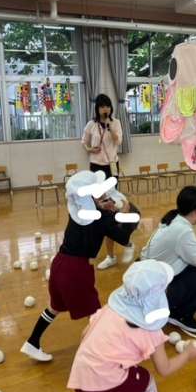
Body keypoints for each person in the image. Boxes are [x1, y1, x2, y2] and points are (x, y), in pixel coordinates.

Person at [67, 259, 196, 392]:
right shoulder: (151, 329)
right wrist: (187, 354)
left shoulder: (108, 309)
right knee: (147, 383)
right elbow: (164, 369)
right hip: (106, 383)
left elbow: (84, 335)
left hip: (81, 379)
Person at [20, 170, 140, 362]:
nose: (104, 194)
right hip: (76, 271)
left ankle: (32, 343)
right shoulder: (101, 218)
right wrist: (123, 213)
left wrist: (104, 208)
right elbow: (123, 238)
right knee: (95, 316)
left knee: (54, 307)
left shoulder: (77, 212)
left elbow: (94, 218)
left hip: (60, 264)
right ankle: (99, 354)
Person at [140, 186, 196, 334]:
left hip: (150, 277)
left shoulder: (176, 219)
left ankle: (173, 306)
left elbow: (193, 253)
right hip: (153, 289)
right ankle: (179, 314)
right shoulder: (182, 231)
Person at [82, 93, 134, 270]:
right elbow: (84, 142)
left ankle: (112, 251)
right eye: (102, 106)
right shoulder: (91, 124)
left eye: (107, 106)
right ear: (97, 108)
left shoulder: (116, 123)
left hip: (111, 167)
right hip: (96, 167)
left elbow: (118, 141)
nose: (105, 109)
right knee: (98, 207)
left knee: (111, 206)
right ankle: (104, 248)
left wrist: (110, 128)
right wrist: (91, 148)